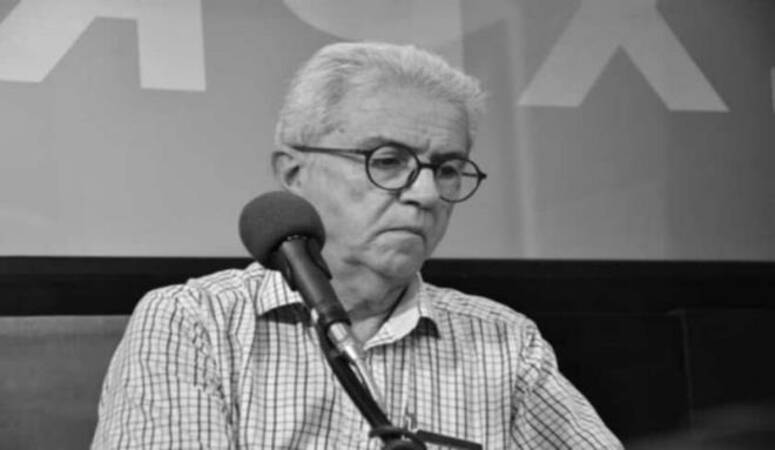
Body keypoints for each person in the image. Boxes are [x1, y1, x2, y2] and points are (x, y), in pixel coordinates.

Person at [92, 41, 621, 449]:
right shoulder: (194, 322)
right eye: (387, 161)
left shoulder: (504, 342)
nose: (425, 194)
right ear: (293, 173)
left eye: (447, 169)